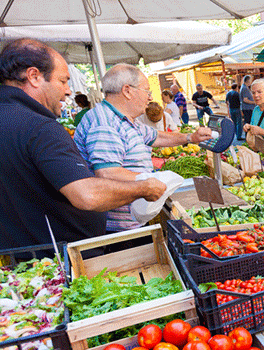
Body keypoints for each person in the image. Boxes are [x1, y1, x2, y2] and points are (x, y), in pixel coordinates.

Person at [0, 39, 166, 251]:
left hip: (23, 264)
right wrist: (144, 187)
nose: (69, 91)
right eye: (63, 81)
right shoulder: (40, 127)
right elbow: (87, 195)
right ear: (34, 76)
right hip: (63, 260)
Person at [75, 63, 212, 233]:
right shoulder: (105, 123)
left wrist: (190, 137)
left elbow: (157, 136)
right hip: (118, 230)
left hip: (131, 220)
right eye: (147, 91)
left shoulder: (126, 119)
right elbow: (108, 173)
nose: (150, 97)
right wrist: (151, 182)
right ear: (127, 90)